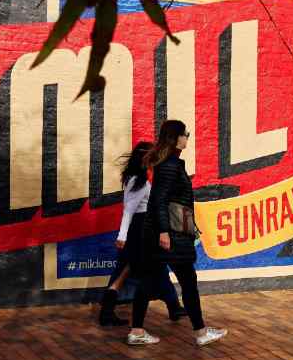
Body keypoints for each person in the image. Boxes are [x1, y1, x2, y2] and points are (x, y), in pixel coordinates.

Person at [128, 120, 228, 347]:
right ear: (175, 138)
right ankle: (201, 333)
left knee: (147, 281)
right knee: (188, 281)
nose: (188, 138)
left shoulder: (168, 163)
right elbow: (159, 200)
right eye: (186, 134)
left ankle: (137, 331)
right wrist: (164, 232)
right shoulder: (170, 165)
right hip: (169, 235)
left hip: (161, 233)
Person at [98, 141, 187, 327]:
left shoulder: (137, 178)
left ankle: (107, 312)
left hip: (141, 228)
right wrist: (122, 236)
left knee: (126, 270)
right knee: (155, 268)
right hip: (141, 230)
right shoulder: (138, 181)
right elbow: (129, 210)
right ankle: (172, 308)